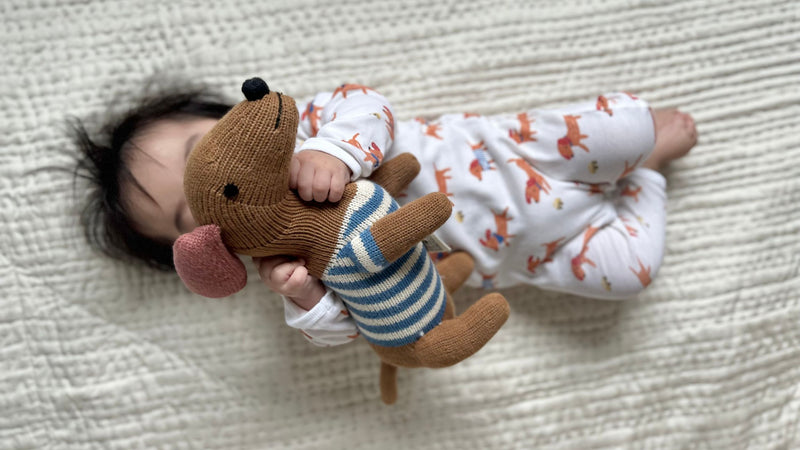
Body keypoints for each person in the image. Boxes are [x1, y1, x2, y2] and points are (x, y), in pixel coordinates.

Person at [73, 81, 697, 346]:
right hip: (522, 255)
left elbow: (373, 107)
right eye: (191, 211)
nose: (217, 184)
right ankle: (643, 179)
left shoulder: (314, 122)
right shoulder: (283, 259)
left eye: (200, 152)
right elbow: (357, 326)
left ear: (223, 114)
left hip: (507, 157)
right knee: (630, 273)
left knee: (620, 129)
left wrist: (333, 151)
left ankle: (637, 147)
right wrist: (308, 303)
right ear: (201, 250)